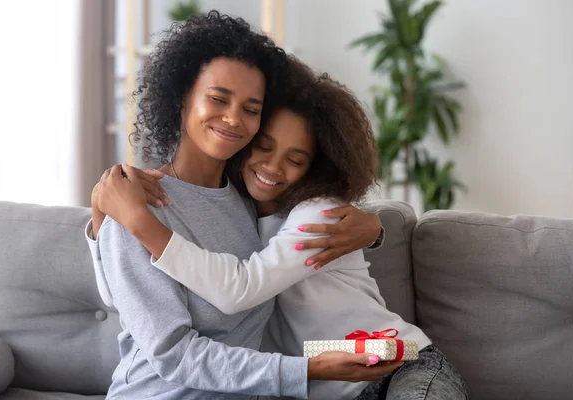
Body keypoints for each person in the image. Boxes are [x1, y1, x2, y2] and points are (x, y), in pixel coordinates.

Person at [94, 59, 469, 400]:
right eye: (264, 148)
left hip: (394, 357)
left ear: (315, 167)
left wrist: (375, 230)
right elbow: (125, 300)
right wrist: (102, 219)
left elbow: (239, 289)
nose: (273, 167)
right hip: (324, 376)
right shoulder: (234, 206)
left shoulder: (317, 213)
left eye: (295, 159)